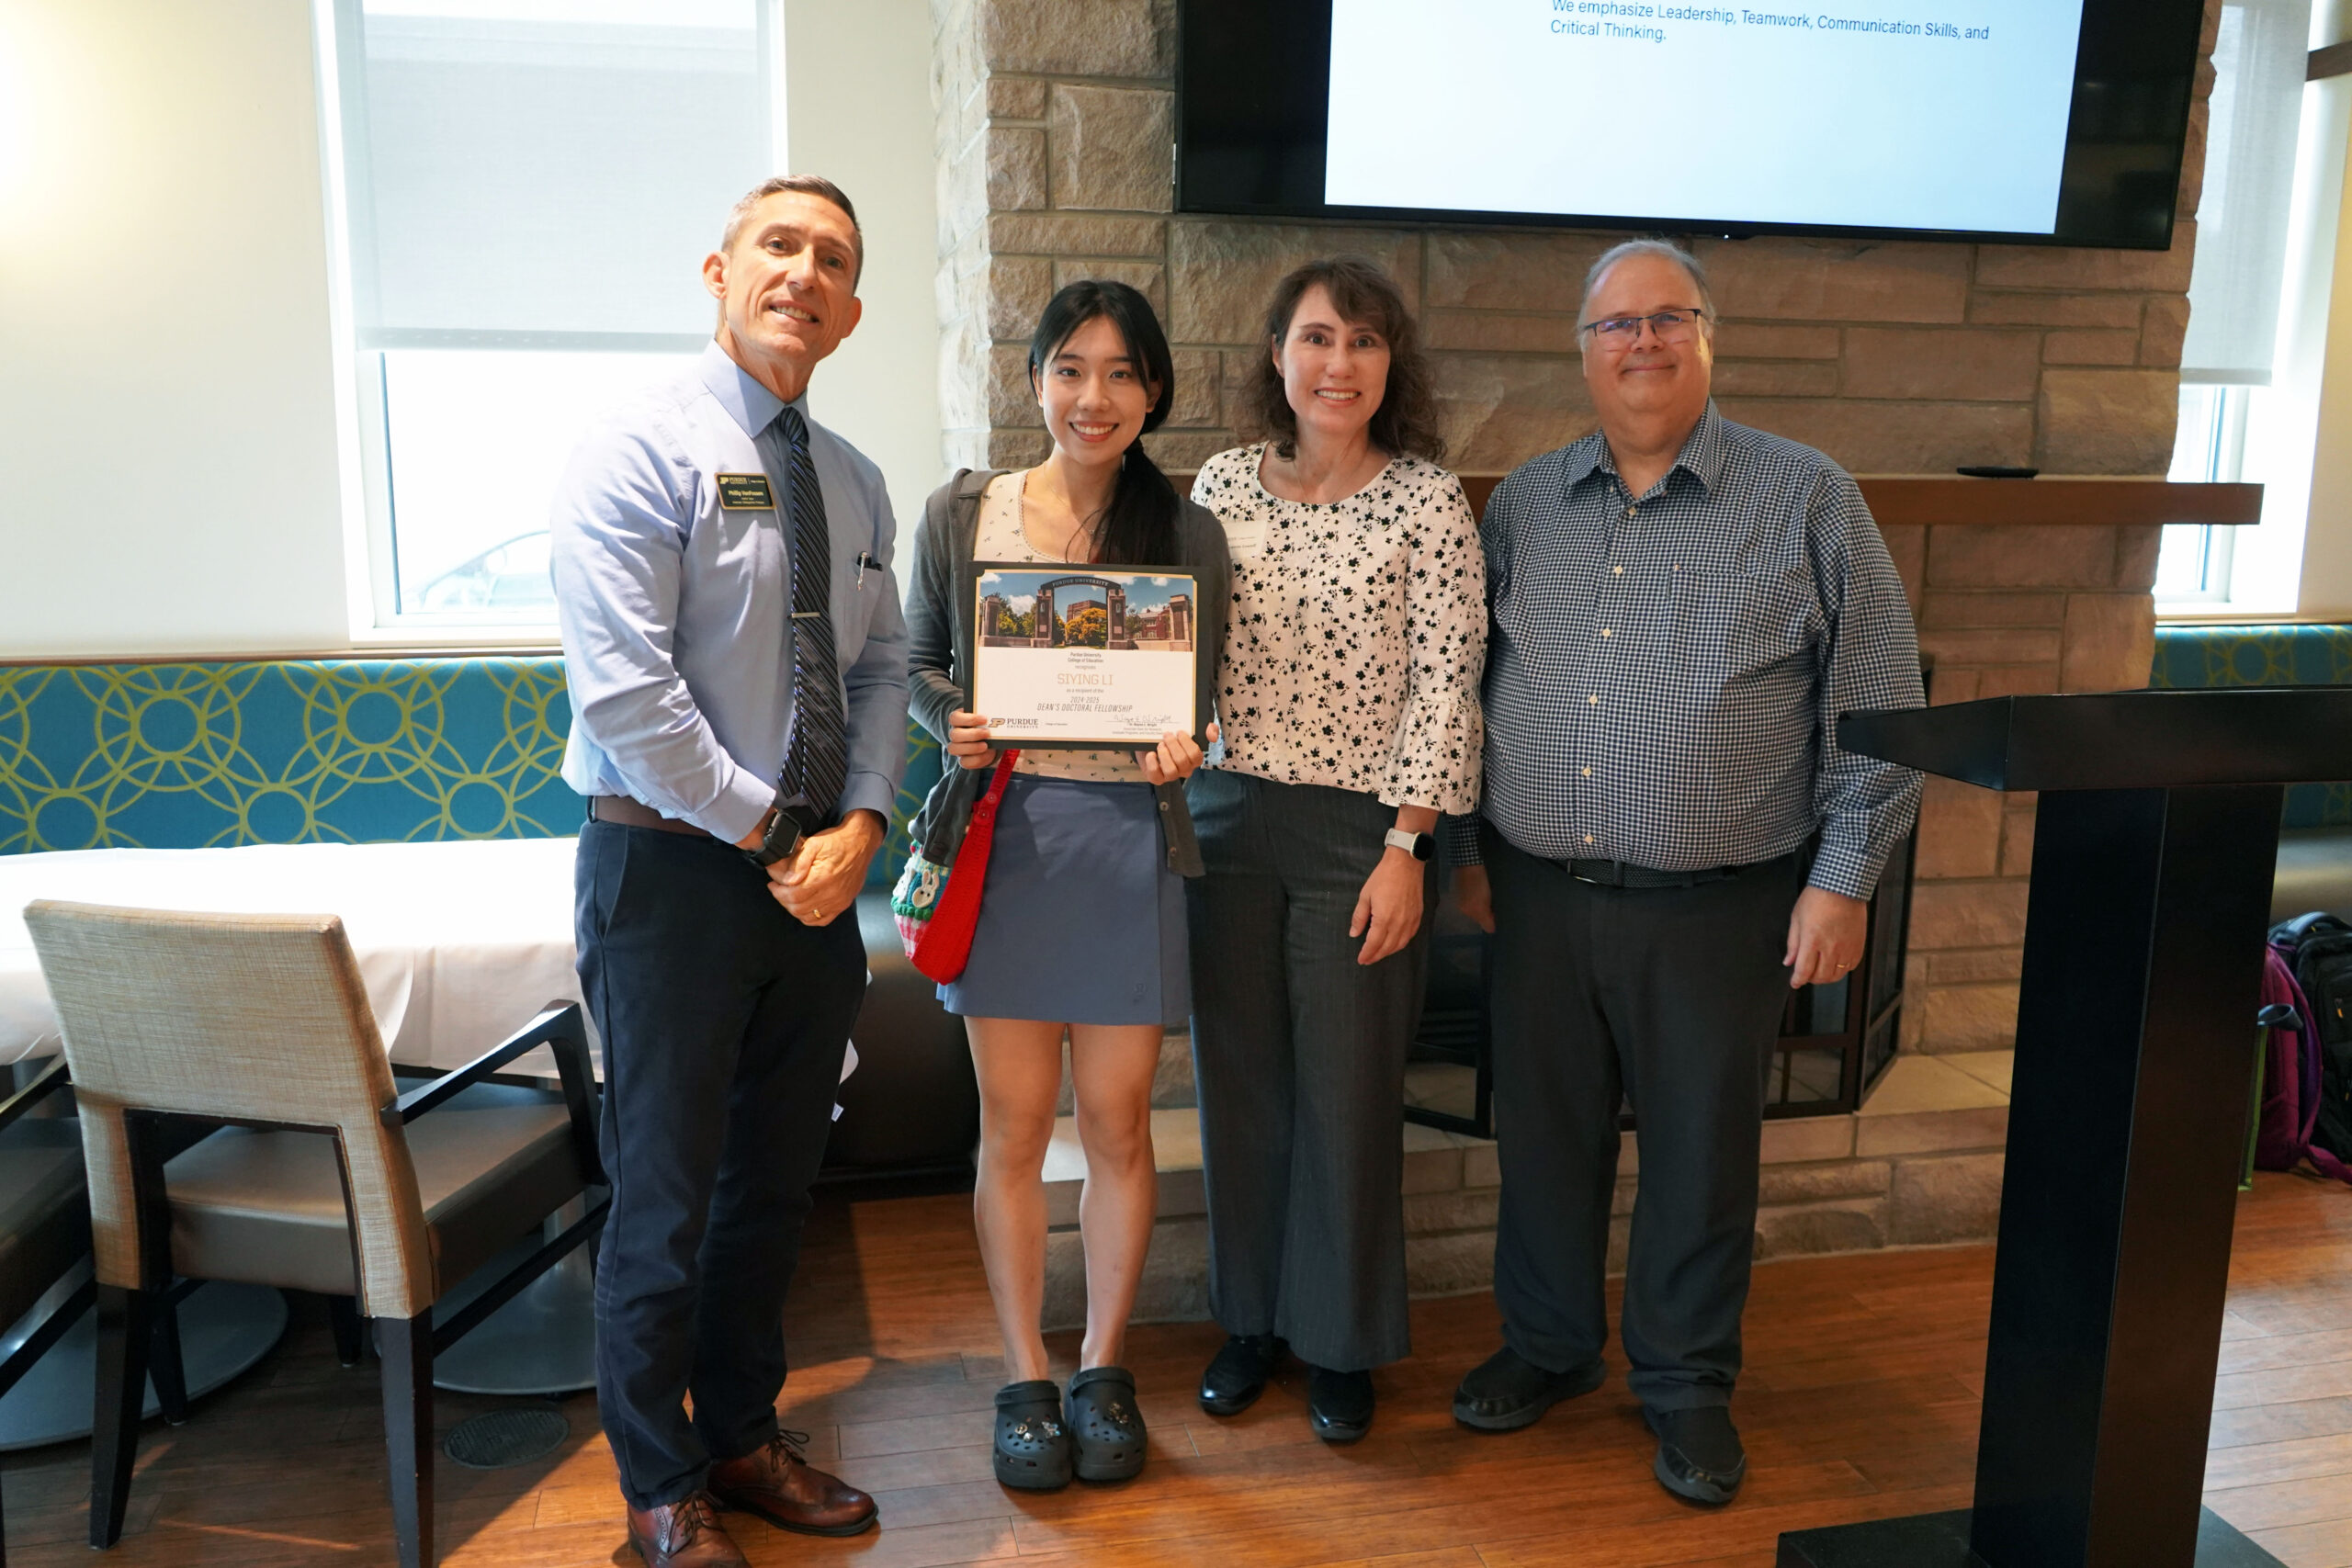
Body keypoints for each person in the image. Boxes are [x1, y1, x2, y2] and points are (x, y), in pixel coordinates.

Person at [1443, 239, 1924, 1505]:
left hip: (1724, 904)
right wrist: (1461, 851)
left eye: (1668, 320)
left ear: (1707, 339)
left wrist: (1846, 876)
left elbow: (1879, 704)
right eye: (1616, 326)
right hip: (1538, 890)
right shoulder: (1527, 504)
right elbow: (1460, 690)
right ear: (1583, 351)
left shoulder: (1809, 495)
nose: (1642, 344)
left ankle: (1686, 1384)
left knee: (1702, 1157)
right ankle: (1548, 1346)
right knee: (1543, 1141)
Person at [550, 175, 901, 1568]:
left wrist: (863, 829)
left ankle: (745, 1435)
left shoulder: (858, 480)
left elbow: (876, 674)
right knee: (667, 1193)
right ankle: (659, 1483)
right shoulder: (637, 446)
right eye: (779, 246)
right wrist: (776, 833)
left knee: (775, 1184)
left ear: (853, 309)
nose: (803, 273)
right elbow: (629, 698)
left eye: (832, 260)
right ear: (719, 270)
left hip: (819, 883)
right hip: (674, 879)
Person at [905, 280, 1231, 1491]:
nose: (1096, 398)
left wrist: (1187, 739)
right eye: (1073, 369)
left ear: (1153, 392)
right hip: (1005, 841)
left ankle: (1102, 1366)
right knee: (1012, 1127)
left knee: (1117, 1125)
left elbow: (1203, 696)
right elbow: (919, 669)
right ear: (1036, 378)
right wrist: (960, 724)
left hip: (1129, 849)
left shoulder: (1183, 530)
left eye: (1124, 373)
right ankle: (1023, 1375)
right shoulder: (964, 514)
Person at [1183, 257, 1487, 1442]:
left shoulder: (1427, 499)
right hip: (1222, 821)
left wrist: (1414, 841)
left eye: (1363, 342)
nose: (1338, 363)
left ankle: (1342, 1340)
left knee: (1350, 1089)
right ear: (1277, 356)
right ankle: (1251, 1323)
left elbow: (1448, 680)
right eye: (1316, 338)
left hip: (1363, 836)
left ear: (1389, 364)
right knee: (1239, 1083)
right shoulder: (1221, 486)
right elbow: (1182, 649)